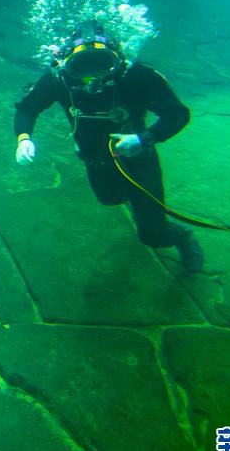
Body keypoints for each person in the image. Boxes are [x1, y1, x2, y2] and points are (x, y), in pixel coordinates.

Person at [13, 19, 204, 272]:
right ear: (69, 63)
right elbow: (27, 108)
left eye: (101, 66)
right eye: (82, 68)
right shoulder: (59, 79)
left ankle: (182, 236)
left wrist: (145, 138)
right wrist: (24, 139)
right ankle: (140, 208)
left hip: (139, 159)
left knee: (152, 234)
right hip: (95, 159)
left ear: (116, 60)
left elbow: (177, 114)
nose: (93, 79)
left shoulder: (137, 76)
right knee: (109, 198)